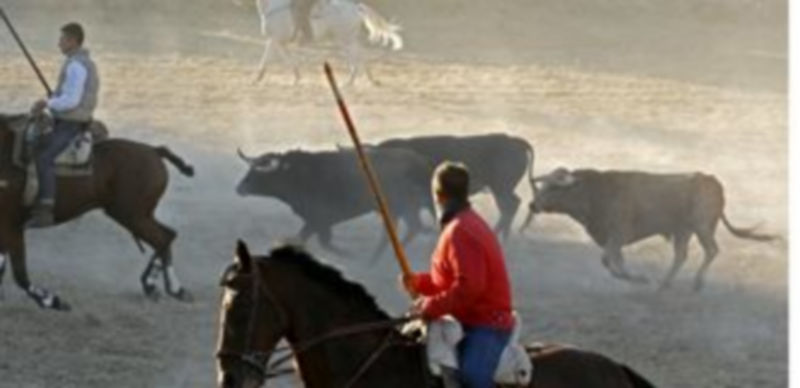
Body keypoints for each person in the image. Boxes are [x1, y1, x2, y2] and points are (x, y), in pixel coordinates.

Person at [402, 162, 514, 388]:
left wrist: (429, 306)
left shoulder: (461, 230)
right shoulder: (460, 224)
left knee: (472, 378)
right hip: (466, 319)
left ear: (439, 196)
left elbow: (470, 288)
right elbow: (450, 282)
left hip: (487, 324)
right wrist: (420, 283)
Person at [28, 22, 100, 228]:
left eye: (62, 39)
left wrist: (46, 103)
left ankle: (45, 208)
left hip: (72, 123)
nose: (59, 43)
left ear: (73, 41)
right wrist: (54, 100)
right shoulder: (79, 62)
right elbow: (67, 97)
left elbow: (72, 101)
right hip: (68, 119)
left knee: (44, 157)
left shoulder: (76, 65)